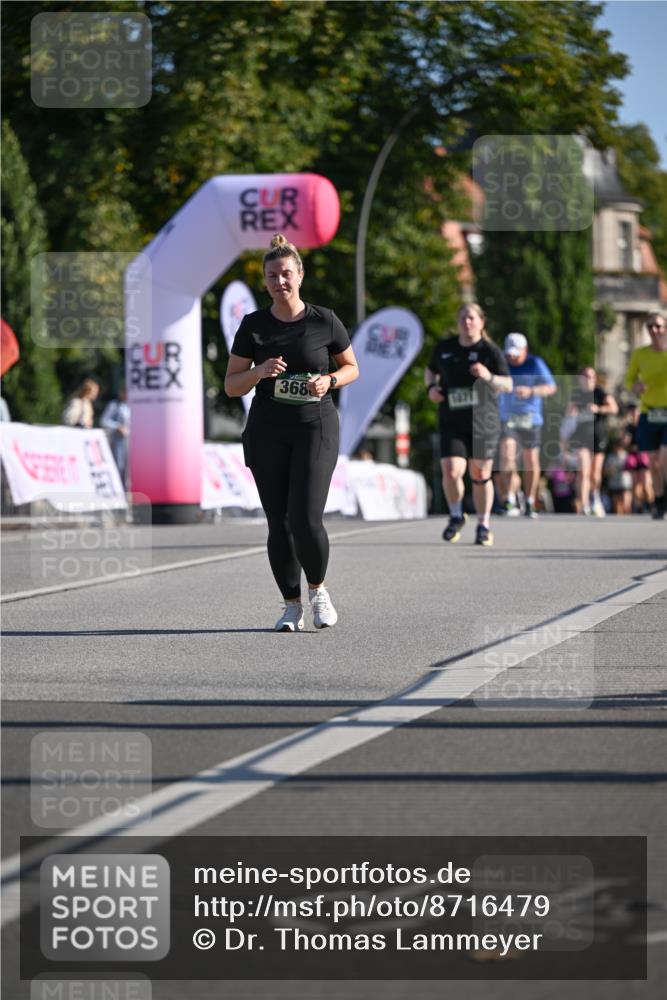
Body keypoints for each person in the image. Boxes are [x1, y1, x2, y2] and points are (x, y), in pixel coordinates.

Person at [224, 234, 359, 631]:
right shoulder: (254, 326)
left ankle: (318, 590)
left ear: (300, 275)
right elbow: (231, 385)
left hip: (315, 427)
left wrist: (330, 380)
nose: (279, 281)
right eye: (272, 276)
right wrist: (258, 372)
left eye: (286, 274)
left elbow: (352, 367)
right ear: (265, 282)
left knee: (304, 519)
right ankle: (290, 605)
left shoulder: (324, 320)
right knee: (279, 523)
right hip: (268, 431)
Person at [425, 303, 512, 547]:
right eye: (463, 317)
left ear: (481, 322)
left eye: (472, 317)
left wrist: (488, 376)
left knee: (480, 474)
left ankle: (483, 525)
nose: (467, 322)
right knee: (451, 470)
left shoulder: (490, 351)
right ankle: (456, 515)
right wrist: (431, 388)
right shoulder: (445, 348)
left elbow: (508, 384)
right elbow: (430, 371)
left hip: (483, 423)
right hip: (452, 419)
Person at [496, 332, 557, 518]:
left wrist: (531, 391)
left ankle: (530, 500)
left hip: (531, 418)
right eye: (510, 354)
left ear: (525, 350)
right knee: (507, 454)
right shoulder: (502, 363)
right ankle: (510, 498)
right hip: (508, 418)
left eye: (516, 354)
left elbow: (551, 387)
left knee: (530, 459)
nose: (512, 358)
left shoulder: (535, 363)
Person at [624, 312, 667, 520]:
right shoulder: (640, 354)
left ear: (665, 328)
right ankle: (659, 502)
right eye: (650, 326)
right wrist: (636, 387)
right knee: (653, 462)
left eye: (657, 326)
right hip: (649, 412)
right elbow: (629, 380)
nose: (654, 330)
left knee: (665, 459)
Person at [565, 367, 617, 516]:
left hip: (597, 435)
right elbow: (568, 412)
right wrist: (571, 412)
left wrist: (598, 409)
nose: (588, 379)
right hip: (581, 436)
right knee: (583, 471)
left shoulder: (600, 392)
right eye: (585, 376)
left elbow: (614, 408)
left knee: (595, 474)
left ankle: (595, 496)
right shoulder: (577, 394)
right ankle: (585, 505)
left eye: (591, 377)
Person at [623, 403, 653, 513]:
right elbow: (625, 443)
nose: (634, 413)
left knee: (646, 483)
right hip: (633, 457)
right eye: (632, 412)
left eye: (635, 411)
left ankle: (652, 505)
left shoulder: (645, 424)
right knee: (635, 484)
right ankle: (639, 507)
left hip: (644, 455)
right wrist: (626, 440)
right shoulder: (628, 427)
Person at [101, 387, 131, 488]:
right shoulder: (114, 405)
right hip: (118, 440)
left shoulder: (132, 405)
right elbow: (104, 421)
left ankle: (128, 489)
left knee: (129, 468)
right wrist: (117, 426)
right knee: (119, 465)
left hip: (131, 440)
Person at [603, 436, 632, 515]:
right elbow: (605, 472)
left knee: (626, 505)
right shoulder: (610, 457)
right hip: (614, 484)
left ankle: (629, 518)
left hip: (625, 482)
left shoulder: (627, 456)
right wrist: (610, 471)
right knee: (617, 507)